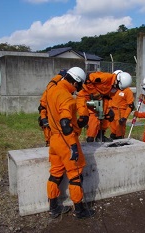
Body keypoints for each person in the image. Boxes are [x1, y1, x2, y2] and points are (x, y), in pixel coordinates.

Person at [45, 67, 94, 219]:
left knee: (55, 174)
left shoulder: (51, 89)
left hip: (54, 139)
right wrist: (73, 146)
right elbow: (65, 123)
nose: (77, 90)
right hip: (66, 140)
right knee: (76, 175)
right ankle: (79, 210)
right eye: (78, 86)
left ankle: (53, 208)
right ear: (75, 82)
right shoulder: (66, 97)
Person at [76, 70, 132, 142]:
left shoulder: (112, 85)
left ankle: (100, 135)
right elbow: (88, 78)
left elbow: (104, 94)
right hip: (85, 98)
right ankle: (86, 137)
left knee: (106, 115)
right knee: (87, 118)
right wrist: (94, 93)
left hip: (99, 100)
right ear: (117, 81)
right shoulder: (105, 77)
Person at [38, 69, 67, 146]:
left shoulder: (57, 89)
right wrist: (43, 118)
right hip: (50, 121)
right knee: (51, 141)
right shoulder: (52, 89)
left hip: (57, 121)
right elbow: (42, 106)